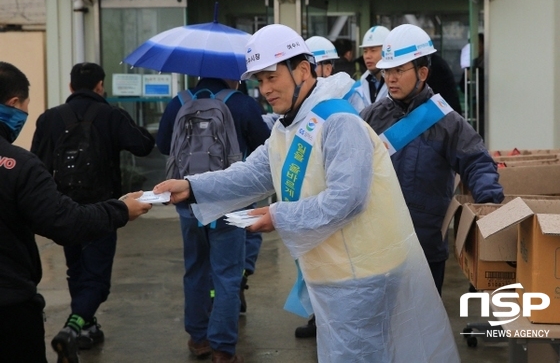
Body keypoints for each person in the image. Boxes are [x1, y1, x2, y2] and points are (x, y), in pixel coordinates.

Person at [153, 24, 460, 363]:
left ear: (301, 70)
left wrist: (277, 216)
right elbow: (254, 172)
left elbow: (348, 198)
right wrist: (192, 186)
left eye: (272, 77)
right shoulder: (291, 124)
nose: (266, 89)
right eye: (260, 81)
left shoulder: (339, 122)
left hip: (363, 272)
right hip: (335, 271)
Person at [0, 61, 152, 363]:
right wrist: (121, 209)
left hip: (60, 198)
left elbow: (41, 160)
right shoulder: (19, 165)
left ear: (70, 87)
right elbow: (144, 145)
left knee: (76, 271)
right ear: (100, 86)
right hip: (12, 306)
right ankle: (74, 327)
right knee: (95, 277)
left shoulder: (50, 119)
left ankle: (86, 322)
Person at [360, 24, 503, 294]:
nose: (390, 78)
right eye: (387, 70)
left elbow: (477, 162)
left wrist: (489, 203)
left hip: (424, 248)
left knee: (422, 332)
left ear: (422, 73)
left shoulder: (447, 122)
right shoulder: (369, 117)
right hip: (375, 245)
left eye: (399, 70)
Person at [156, 76, 270, 363]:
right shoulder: (242, 104)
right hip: (230, 204)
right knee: (227, 275)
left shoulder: (179, 102)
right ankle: (223, 349)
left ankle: (198, 338)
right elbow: (266, 148)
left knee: (195, 269)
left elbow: (162, 145)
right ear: (232, 74)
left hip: (188, 201)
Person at [350, 25, 391, 112]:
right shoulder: (358, 86)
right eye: (365, 51)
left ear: (387, 51)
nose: (367, 56)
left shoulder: (399, 84)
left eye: (373, 50)